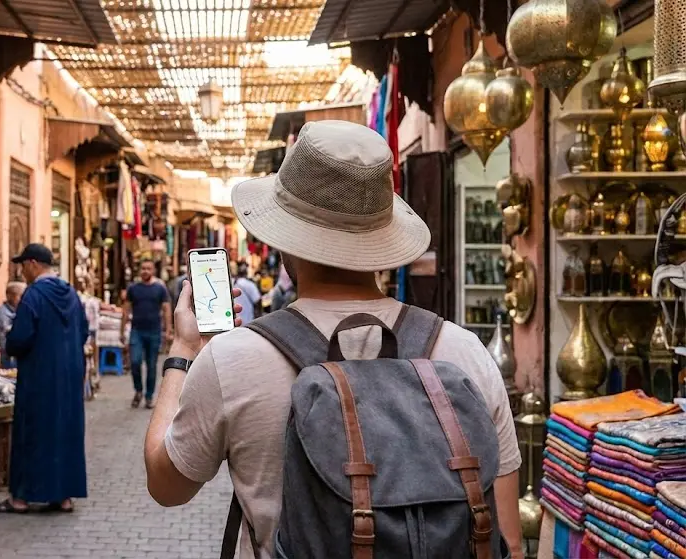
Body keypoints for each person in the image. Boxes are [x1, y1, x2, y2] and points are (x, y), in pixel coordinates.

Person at [144, 121, 523, 558]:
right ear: (383, 239)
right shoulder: (463, 354)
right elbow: (506, 540)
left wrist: (183, 351)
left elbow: (165, 485)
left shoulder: (234, 359)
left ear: (285, 244)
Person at [0, 243, 88, 514]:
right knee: (65, 432)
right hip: (69, 377)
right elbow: (84, 330)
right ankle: (63, 496)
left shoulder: (33, 295)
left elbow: (20, 338)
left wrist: (11, 342)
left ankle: (20, 499)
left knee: (32, 432)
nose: (22, 271)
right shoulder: (70, 292)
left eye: (23, 265)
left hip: (39, 376)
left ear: (33, 263)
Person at [121, 259, 171, 409]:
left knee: (151, 365)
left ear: (153, 271)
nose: (145, 271)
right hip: (137, 331)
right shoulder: (133, 288)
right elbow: (126, 310)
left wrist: (168, 330)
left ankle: (149, 396)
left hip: (154, 331)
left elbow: (166, 309)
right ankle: (138, 390)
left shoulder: (160, 289)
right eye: (143, 268)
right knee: (135, 362)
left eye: (148, 269)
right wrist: (122, 329)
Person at [0, 282, 26, 367]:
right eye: (20, 296)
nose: (23, 299)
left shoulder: (18, 311)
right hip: (6, 360)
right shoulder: (1, 314)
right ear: (9, 296)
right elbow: (3, 342)